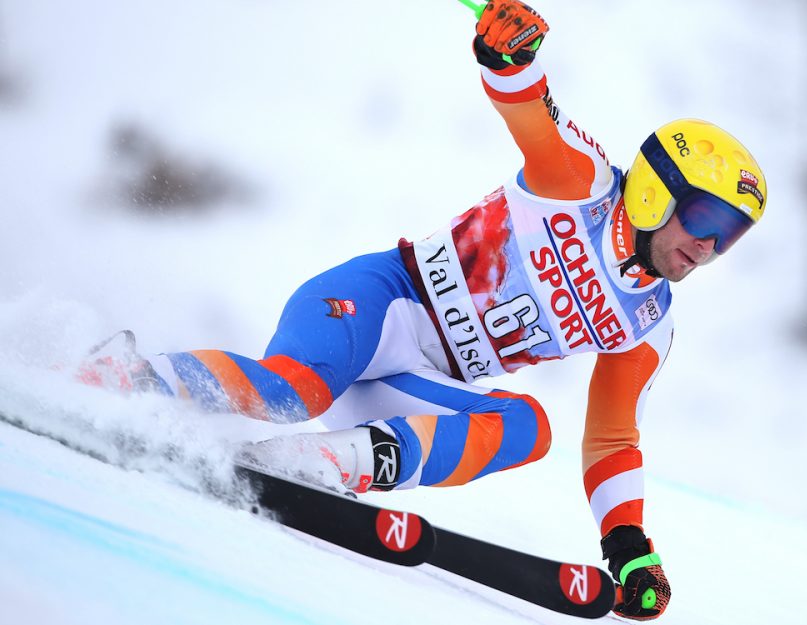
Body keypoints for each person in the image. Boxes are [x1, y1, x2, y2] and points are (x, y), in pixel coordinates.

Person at [79, 2, 768, 620]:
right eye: (705, 216)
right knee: (292, 390)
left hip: (418, 374)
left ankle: (320, 464)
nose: (706, 247)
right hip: (382, 301)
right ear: (657, 192)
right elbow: (531, 113)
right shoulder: (581, 185)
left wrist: (627, 543)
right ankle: (125, 373)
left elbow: (613, 439)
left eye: (729, 235)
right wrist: (506, 58)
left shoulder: (648, 321)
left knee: (529, 425)